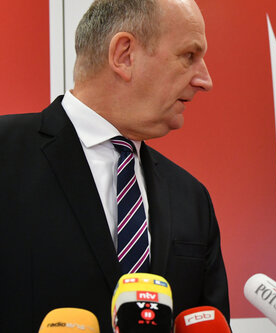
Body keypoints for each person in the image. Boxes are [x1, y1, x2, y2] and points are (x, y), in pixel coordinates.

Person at [0, 0, 230, 332]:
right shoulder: (6, 156)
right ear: (124, 55)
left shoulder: (192, 199)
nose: (204, 80)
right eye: (188, 56)